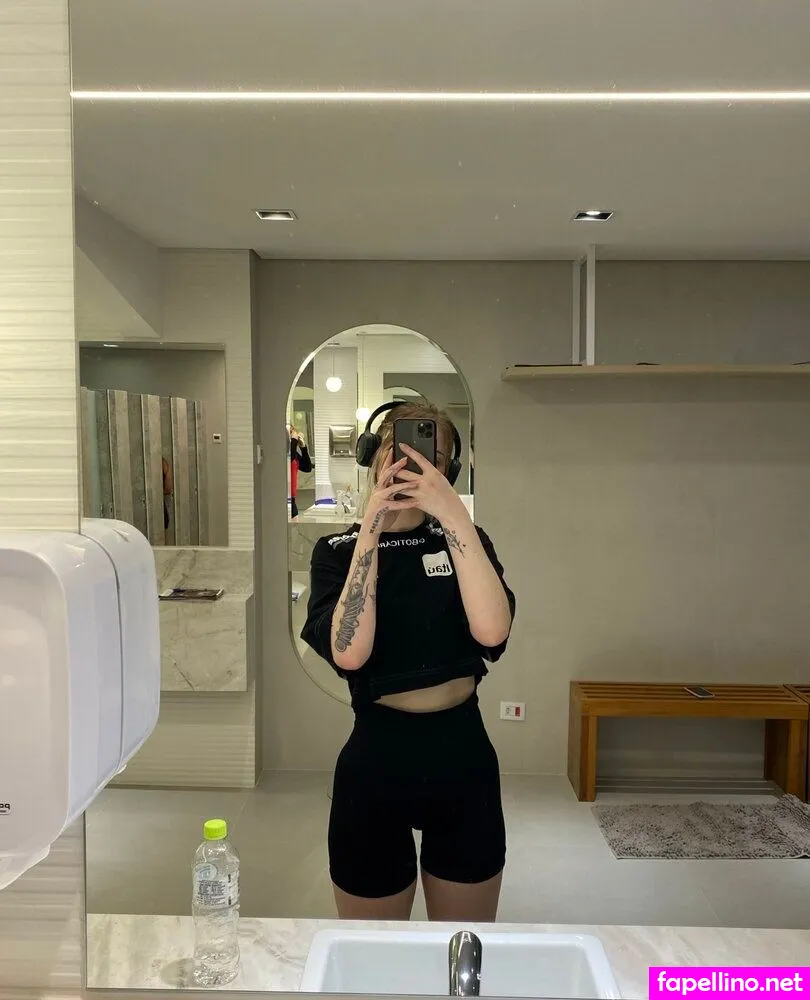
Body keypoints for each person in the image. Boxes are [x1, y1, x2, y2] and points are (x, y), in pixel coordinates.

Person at [301, 402, 515, 922]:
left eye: (430, 458)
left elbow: (493, 630)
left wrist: (453, 512)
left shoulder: (467, 542)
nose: (411, 465)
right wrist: (372, 527)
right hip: (376, 763)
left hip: (463, 759)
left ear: (449, 472)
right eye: (398, 450)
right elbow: (350, 651)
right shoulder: (337, 550)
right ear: (374, 457)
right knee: (373, 955)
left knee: (462, 947)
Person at [288, 424, 313, 518]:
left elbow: (307, 467)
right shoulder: (282, 452)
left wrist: (303, 447)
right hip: (283, 499)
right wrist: (294, 440)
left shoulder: (293, 453)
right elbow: (290, 458)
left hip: (293, 500)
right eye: (290, 432)